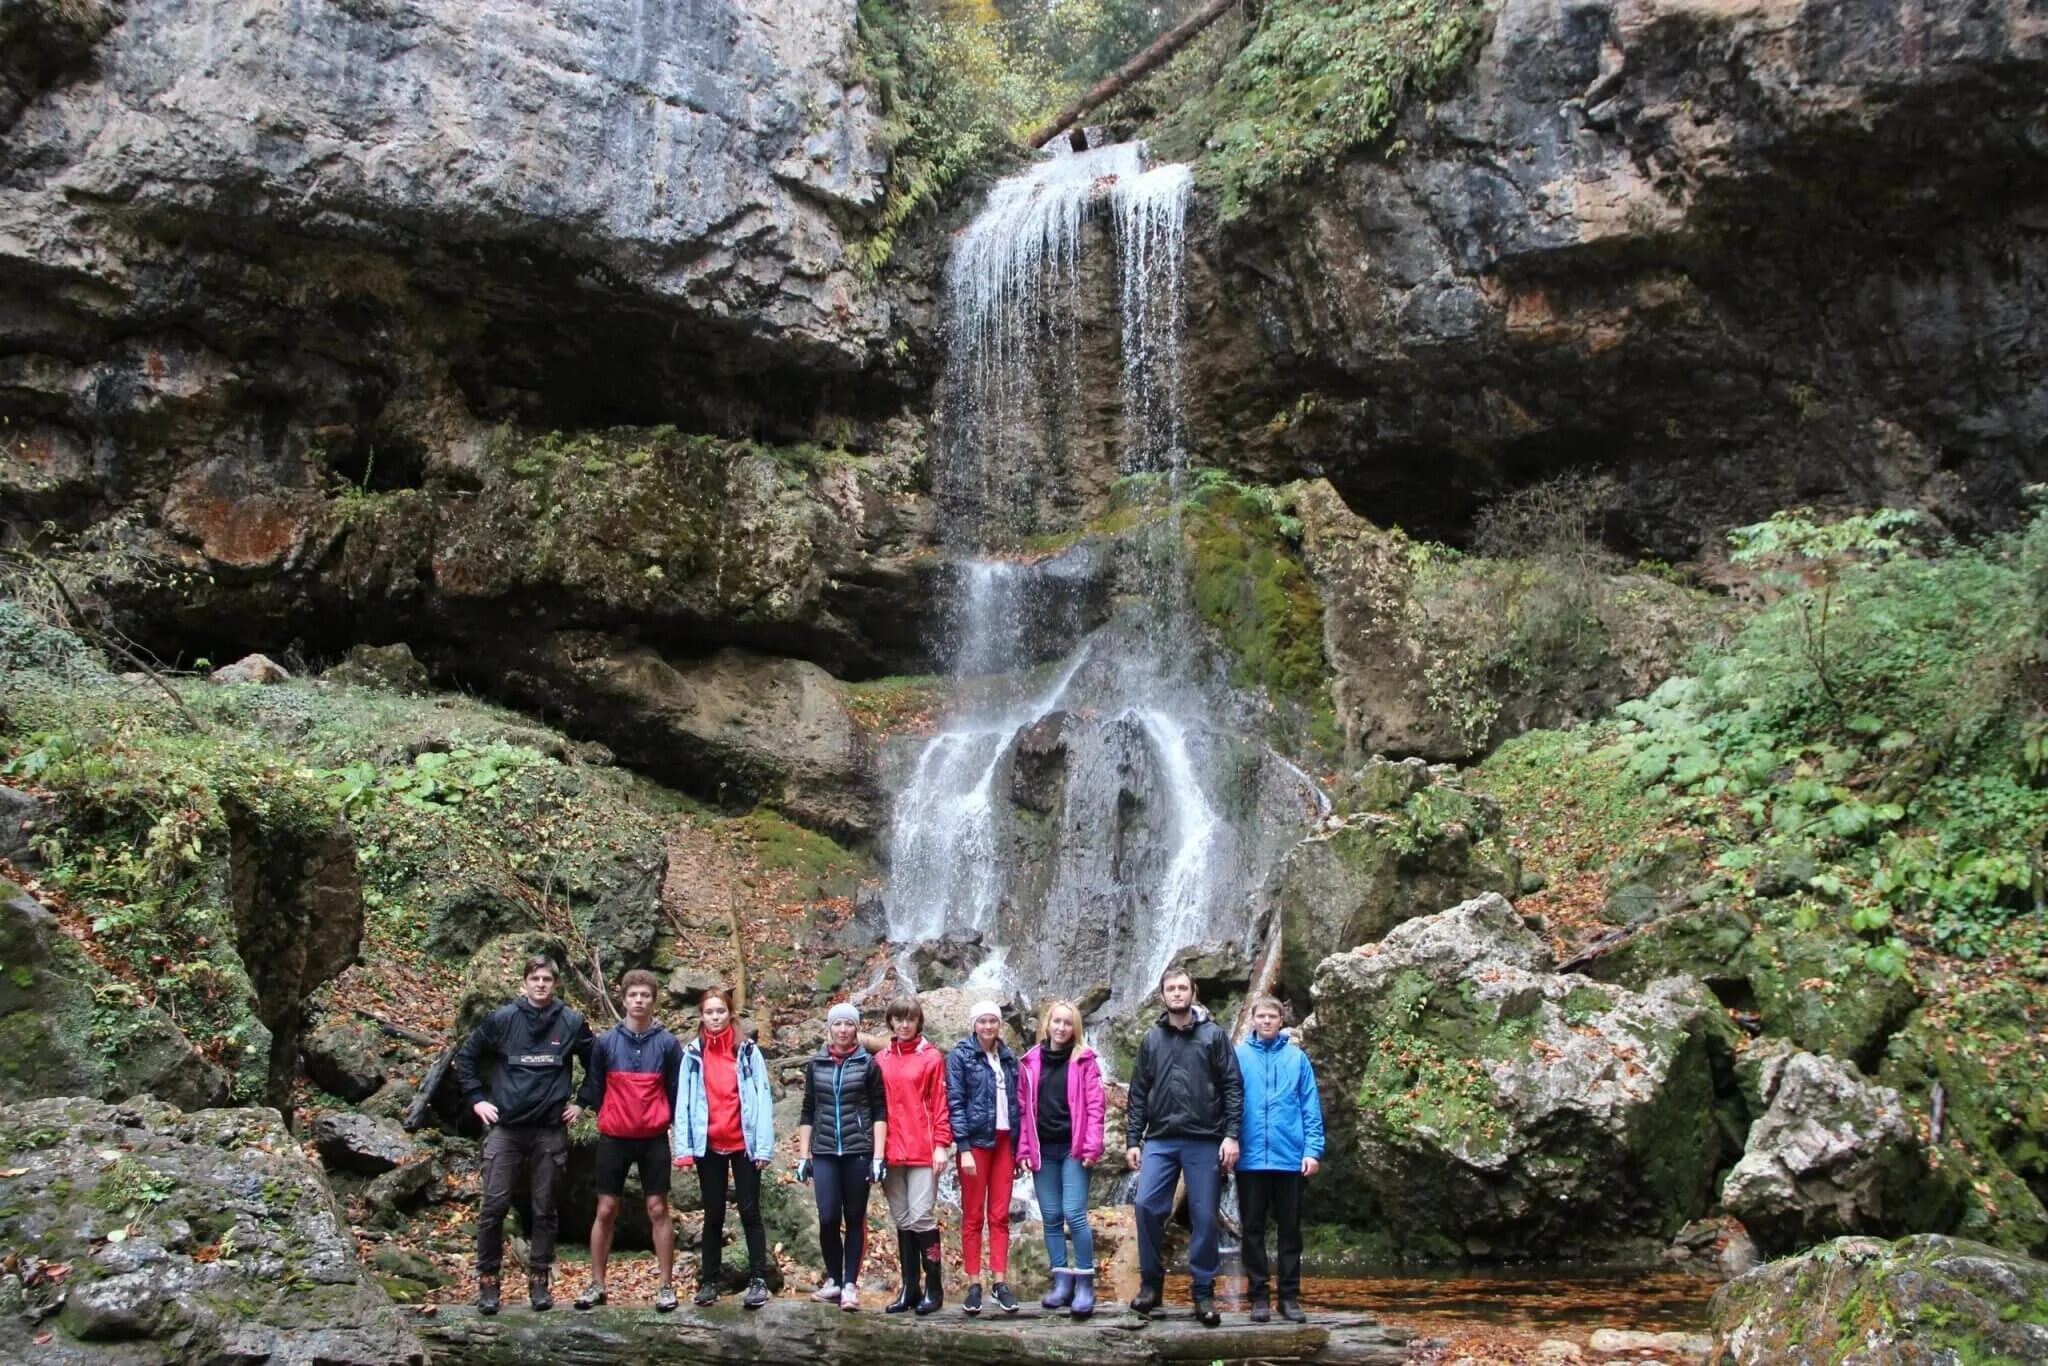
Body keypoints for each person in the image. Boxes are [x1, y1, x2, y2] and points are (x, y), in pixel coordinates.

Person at [455, 954, 594, 1314]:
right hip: (506, 1128)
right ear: (525, 982)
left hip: (550, 1128)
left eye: (547, 979)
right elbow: (466, 1056)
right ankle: (488, 1281)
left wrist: (583, 1103)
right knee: (494, 1207)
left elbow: (597, 1063)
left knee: (544, 1207)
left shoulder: (571, 1021)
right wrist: (476, 1100)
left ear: (555, 983)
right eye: (535, 979)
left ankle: (539, 1279)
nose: (541, 984)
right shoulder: (503, 1019)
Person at [1124, 965, 1242, 1327]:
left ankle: (1203, 1292)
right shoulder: (1151, 1040)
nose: (1177, 993)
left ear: (1193, 993)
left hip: (1204, 1138)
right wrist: (1133, 1139)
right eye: (1171, 988)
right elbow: (1139, 1092)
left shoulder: (1213, 1036)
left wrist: (1231, 1135)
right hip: (1160, 1138)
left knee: (1205, 1215)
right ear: (1163, 995)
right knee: (1145, 1205)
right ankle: (1151, 1286)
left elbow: (1233, 1086)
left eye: (1182, 988)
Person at [571, 968, 684, 1313]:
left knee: (658, 1209)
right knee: (606, 1209)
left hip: (653, 1138)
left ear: (653, 1000)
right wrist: (580, 1105)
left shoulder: (667, 1044)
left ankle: (665, 1286)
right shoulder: (606, 1043)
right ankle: (597, 1284)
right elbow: (595, 1085)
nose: (639, 1001)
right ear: (623, 999)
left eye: (645, 996)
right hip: (614, 1137)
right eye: (633, 995)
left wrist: (684, 1133)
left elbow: (678, 1090)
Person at [670, 987, 775, 1309]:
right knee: (713, 1214)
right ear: (701, 1016)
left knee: (749, 1211)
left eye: (720, 1011)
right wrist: (684, 1149)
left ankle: (759, 1279)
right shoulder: (693, 1054)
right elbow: (684, 1102)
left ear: (730, 1013)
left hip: (743, 1141)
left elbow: (762, 1096)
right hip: (709, 1143)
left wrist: (763, 1148)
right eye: (709, 1012)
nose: (715, 1017)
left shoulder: (746, 1050)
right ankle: (709, 1282)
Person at [1234, 994, 1325, 1324]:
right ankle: (1259, 1297)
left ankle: (1289, 1297)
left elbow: (1310, 1107)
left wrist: (1313, 1150)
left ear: (1281, 1020)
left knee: (1290, 1231)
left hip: (1289, 1159)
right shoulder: (1240, 1056)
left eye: (1273, 1016)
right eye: (1261, 1016)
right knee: (1252, 1230)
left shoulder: (1297, 1058)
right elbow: (1229, 1103)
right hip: (1251, 1159)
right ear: (1253, 1020)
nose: (1267, 1021)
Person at [795, 1001, 888, 1311]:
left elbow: (879, 1111)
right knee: (828, 1217)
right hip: (823, 1150)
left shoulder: (868, 1064)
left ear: (856, 1029)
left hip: (858, 1150)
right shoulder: (816, 1064)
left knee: (855, 1216)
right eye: (838, 1024)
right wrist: (803, 1154)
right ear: (829, 1029)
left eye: (849, 1024)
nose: (843, 1030)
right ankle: (833, 1280)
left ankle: (849, 1283)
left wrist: (877, 1156)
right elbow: (808, 1109)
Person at [1017, 998, 1106, 1319]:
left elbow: (1096, 1107)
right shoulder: (1029, 1062)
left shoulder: (1084, 1061)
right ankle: (1061, 1282)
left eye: (1068, 1023)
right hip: (1044, 1150)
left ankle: (1085, 1282)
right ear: (1047, 1024)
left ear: (1075, 1028)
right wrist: (1023, 1150)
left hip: (1074, 1148)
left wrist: (1092, 1146)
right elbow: (1023, 1113)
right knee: (1052, 1216)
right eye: (1057, 1021)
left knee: (1074, 1213)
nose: (1062, 1027)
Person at [875, 995, 952, 1316]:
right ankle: (910, 1287)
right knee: (903, 1218)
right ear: (891, 1022)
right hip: (891, 1150)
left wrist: (941, 1144)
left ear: (919, 1022)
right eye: (898, 1019)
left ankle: (934, 1287)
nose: (904, 1024)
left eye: (910, 1019)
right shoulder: (880, 1059)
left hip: (923, 1148)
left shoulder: (931, 1057)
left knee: (921, 1216)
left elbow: (940, 1103)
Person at [946, 999, 1020, 1315]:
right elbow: (955, 1101)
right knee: (974, 1216)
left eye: (993, 1021)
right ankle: (974, 1283)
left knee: (1000, 1215)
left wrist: (1020, 1147)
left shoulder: (1008, 1056)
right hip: (975, 1143)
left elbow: (1018, 1102)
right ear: (974, 1024)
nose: (988, 1026)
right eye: (983, 1021)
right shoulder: (960, 1056)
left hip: (1005, 1142)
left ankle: (1000, 1283)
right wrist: (962, 1147)